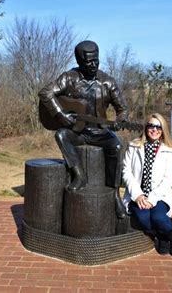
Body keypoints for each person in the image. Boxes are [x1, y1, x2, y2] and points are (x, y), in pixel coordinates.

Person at [38, 40, 129, 219]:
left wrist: (120, 120)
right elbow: (45, 92)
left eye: (96, 60)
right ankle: (79, 175)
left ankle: (114, 195)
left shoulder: (108, 82)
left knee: (117, 147)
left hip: (100, 132)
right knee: (62, 135)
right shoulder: (69, 78)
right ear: (79, 62)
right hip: (77, 131)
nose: (94, 65)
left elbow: (123, 109)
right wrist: (60, 114)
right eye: (89, 62)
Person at [122, 113, 172, 256]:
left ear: (163, 130)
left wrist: (152, 198)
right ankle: (161, 234)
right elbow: (126, 171)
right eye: (151, 126)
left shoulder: (170, 149)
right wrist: (138, 195)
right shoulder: (133, 146)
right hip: (137, 194)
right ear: (146, 127)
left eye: (158, 127)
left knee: (158, 217)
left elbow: (169, 178)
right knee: (143, 218)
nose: (155, 129)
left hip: (160, 195)